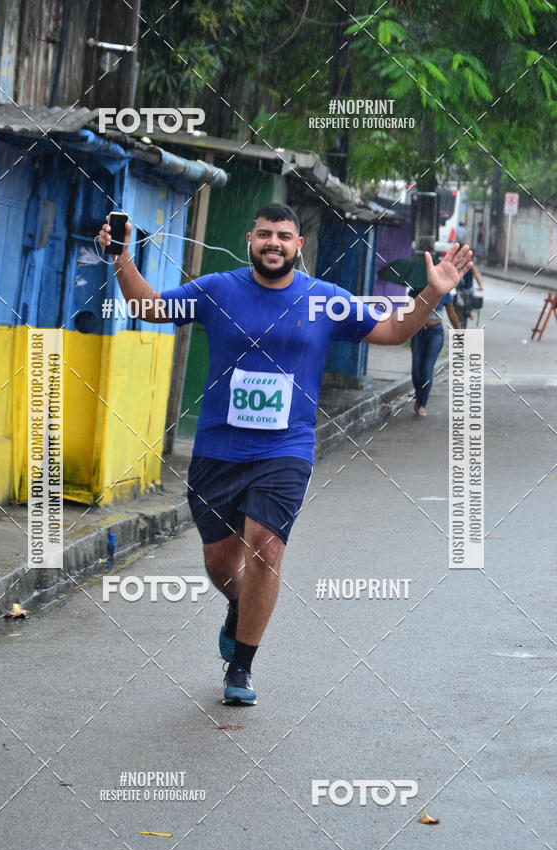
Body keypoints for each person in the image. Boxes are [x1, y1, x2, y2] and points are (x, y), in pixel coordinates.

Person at [98, 203, 472, 705]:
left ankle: (241, 668)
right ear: (251, 240)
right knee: (219, 561)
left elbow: (394, 331)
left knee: (266, 549)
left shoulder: (323, 300)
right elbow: (150, 307)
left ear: (299, 246)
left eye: (285, 236)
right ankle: (237, 604)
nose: (274, 243)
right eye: (266, 235)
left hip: (286, 448)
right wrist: (122, 257)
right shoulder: (218, 290)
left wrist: (432, 292)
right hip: (218, 449)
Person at [410, 289, 460, 417]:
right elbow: (408, 310)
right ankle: (419, 395)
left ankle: (422, 404)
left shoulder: (443, 291)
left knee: (427, 367)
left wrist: (459, 334)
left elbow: (451, 313)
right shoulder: (416, 290)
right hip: (417, 331)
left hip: (436, 333)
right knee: (416, 369)